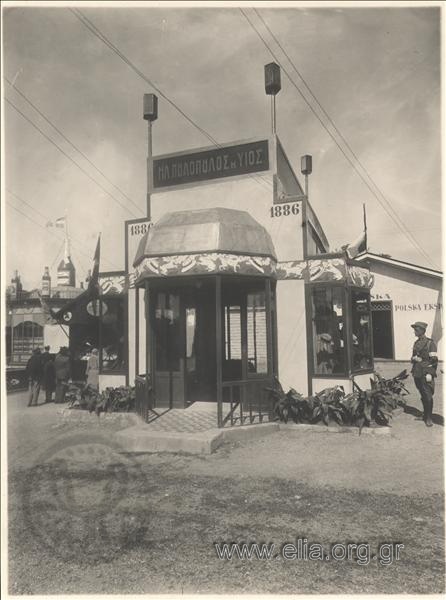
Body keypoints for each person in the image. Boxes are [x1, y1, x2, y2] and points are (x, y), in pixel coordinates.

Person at [410, 321, 438, 427]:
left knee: (428, 395)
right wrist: (413, 359)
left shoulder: (430, 343)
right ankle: (425, 414)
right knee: (422, 394)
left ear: (422, 331)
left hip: (425, 372)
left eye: (416, 330)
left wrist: (430, 373)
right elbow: (413, 357)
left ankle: (429, 418)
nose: (414, 332)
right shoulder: (416, 343)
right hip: (417, 372)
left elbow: (434, 360)